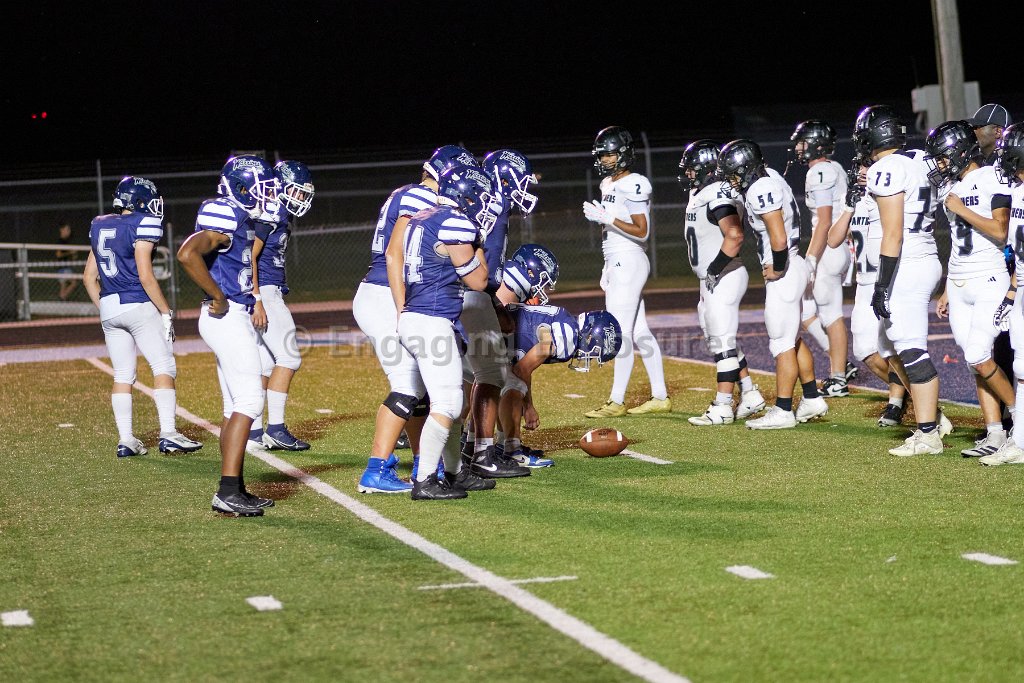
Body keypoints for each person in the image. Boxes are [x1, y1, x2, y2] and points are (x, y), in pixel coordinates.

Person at [352, 144, 470, 494]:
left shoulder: (409, 193)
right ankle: (377, 469)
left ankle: (423, 464)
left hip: (384, 293)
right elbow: (394, 254)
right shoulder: (422, 197)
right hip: (385, 294)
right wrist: (403, 306)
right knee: (407, 386)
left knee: (417, 387)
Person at [177, 154, 279, 517]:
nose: (267, 194)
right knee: (250, 401)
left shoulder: (241, 216)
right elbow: (188, 253)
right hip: (226, 315)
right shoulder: (224, 211)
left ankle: (234, 488)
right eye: (261, 187)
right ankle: (227, 491)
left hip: (233, 315)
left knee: (232, 405)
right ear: (240, 188)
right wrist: (217, 295)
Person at [391, 162, 501, 499]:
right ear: (466, 195)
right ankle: (425, 480)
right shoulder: (455, 222)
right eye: (480, 197)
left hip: (419, 315)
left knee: (448, 401)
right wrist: (480, 243)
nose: (483, 204)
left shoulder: (423, 216)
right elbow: (478, 281)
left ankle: (454, 473)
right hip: (431, 319)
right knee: (449, 403)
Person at [82, 177, 203, 458]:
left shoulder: (100, 224)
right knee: (163, 366)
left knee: (123, 374)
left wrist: (108, 308)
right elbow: (146, 276)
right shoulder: (143, 223)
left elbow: (88, 277)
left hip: (109, 307)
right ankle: (169, 434)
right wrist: (165, 311)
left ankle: (126, 440)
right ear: (137, 201)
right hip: (137, 302)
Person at [855, 104, 951, 456]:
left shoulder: (886, 168)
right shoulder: (920, 159)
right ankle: (932, 421)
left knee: (911, 348)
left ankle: (928, 433)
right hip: (923, 256)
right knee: (889, 344)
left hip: (906, 264)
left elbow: (893, 232)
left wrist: (881, 284)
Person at [717, 139, 828, 429]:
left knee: (781, 344)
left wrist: (778, 268)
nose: (732, 180)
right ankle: (812, 398)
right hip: (795, 264)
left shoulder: (760, 188)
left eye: (733, 173)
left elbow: (778, 238)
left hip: (786, 269)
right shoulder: (771, 177)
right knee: (792, 339)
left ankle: (783, 410)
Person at [924, 120, 1014, 458]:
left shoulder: (991, 177)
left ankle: (1019, 418)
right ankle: (994, 432)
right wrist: (948, 287)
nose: (940, 164)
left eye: (943, 157)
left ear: (961, 152)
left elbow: (1001, 230)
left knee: (979, 354)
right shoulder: (953, 186)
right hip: (960, 281)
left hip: (988, 277)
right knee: (974, 362)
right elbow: (958, 243)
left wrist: (961, 209)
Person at [582, 126, 670, 418]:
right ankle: (660, 396)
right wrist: (606, 265)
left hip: (629, 258)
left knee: (620, 332)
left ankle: (617, 401)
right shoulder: (608, 183)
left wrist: (608, 218)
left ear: (623, 154)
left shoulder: (634, 183)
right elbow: (611, 230)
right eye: (602, 155)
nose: (605, 160)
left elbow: (642, 231)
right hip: (618, 259)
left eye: (609, 154)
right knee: (640, 331)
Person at [678, 139, 766, 425]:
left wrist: (714, 269)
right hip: (713, 278)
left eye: (692, 169)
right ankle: (749, 392)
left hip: (724, 274)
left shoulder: (717, 192)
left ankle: (723, 406)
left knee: (723, 342)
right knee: (718, 340)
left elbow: (735, 235)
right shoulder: (702, 192)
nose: (688, 174)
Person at [462, 149, 539, 473]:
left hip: (467, 293)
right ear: (503, 179)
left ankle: (468, 448)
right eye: (519, 180)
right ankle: (480, 454)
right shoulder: (494, 206)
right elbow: (484, 268)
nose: (524, 187)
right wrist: (492, 302)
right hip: (470, 293)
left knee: (470, 373)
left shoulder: (485, 204)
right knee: (487, 375)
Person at [826, 163, 909, 427]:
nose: (861, 172)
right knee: (865, 351)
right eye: (860, 167)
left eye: (867, 167)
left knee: (891, 348)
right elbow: (833, 240)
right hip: (863, 284)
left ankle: (897, 402)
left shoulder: (888, 195)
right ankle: (913, 392)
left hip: (886, 280)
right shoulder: (855, 199)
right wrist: (849, 207)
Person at [246, 160, 315, 453]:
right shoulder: (271, 211)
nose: (301, 198)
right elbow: (249, 256)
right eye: (297, 191)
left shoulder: (277, 212)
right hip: (265, 291)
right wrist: (257, 299)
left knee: (265, 363)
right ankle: (275, 428)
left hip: (265, 290)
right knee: (289, 357)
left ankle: (253, 432)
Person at [498, 307, 621, 464]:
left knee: (497, 382)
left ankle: (498, 445)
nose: (590, 358)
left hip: (496, 331)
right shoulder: (568, 337)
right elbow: (522, 369)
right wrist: (528, 407)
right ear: (590, 336)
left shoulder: (568, 324)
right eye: (595, 352)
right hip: (494, 335)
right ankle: (512, 451)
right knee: (514, 386)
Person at [789, 120, 857, 396]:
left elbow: (825, 221)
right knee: (805, 310)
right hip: (836, 246)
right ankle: (840, 363)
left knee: (831, 314)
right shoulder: (834, 167)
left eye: (803, 142)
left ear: (816, 144)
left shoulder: (819, 172)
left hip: (829, 247)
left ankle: (838, 378)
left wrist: (812, 258)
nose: (798, 147)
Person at [970, 103, 1015, 433]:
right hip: (1000, 262)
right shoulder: (986, 167)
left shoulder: (1007, 166)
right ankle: (1008, 416)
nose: (974, 132)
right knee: (999, 342)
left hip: (1012, 260)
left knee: (1012, 343)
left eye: (979, 127)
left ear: (998, 131)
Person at [981, 123, 1024, 464]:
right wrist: (1011, 291)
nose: (1003, 160)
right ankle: (1020, 441)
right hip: (1021, 286)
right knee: (1021, 366)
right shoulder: (1018, 192)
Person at [56, 221, 80, 301]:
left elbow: (67, 255)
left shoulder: (66, 241)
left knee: (63, 286)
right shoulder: (61, 241)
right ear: (61, 230)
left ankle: (62, 300)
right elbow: (58, 255)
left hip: (62, 267)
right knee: (74, 283)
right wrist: (71, 252)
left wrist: (73, 255)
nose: (69, 231)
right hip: (63, 267)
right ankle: (62, 298)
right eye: (67, 229)